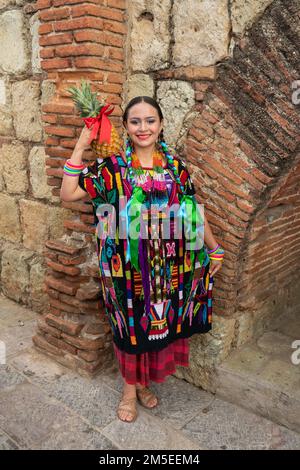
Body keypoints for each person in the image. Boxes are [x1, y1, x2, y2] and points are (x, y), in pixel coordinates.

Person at [60, 96, 224, 423]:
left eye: (150, 120)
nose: (143, 127)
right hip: (125, 269)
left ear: (161, 124)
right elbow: (68, 195)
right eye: (135, 121)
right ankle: (128, 391)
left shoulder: (175, 167)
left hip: (168, 266)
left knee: (158, 323)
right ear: (126, 128)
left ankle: (144, 383)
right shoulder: (113, 168)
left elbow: (192, 211)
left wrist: (214, 247)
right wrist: (82, 143)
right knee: (130, 327)